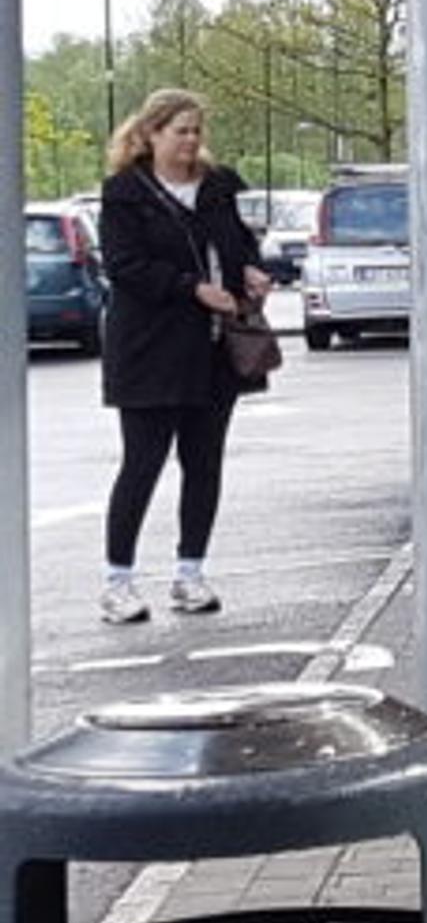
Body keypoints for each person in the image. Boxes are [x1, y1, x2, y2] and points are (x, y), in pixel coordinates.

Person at [95, 89, 274, 625]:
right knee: (142, 462)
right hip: (149, 350)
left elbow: (237, 243)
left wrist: (250, 271)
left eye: (197, 131)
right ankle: (117, 581)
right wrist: (192, 289)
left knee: (204, 462)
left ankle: (190, 573)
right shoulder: (126, 193)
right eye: (181, 131)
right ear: (151, 134)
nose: (191, 141)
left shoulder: (217, 187)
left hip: (214, 348)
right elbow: (124, 265)